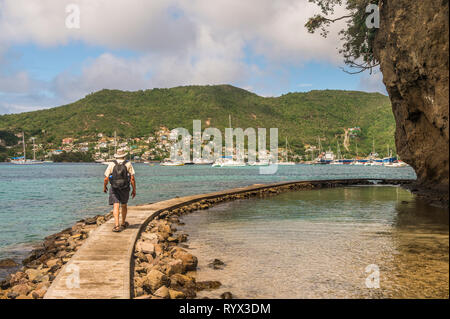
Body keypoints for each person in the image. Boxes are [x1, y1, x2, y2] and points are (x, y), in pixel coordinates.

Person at [103, 149, 136, 232]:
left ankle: (117, 226)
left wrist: (104, 187)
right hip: (125, 187)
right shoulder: (128, 163)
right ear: (124, 155)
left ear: (116, 155)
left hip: (114, 187)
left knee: (116, 205)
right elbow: (132, 178)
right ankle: (123, 223)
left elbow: (106, 179)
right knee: (124, 205)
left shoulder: (112, 164)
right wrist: (134, 189)